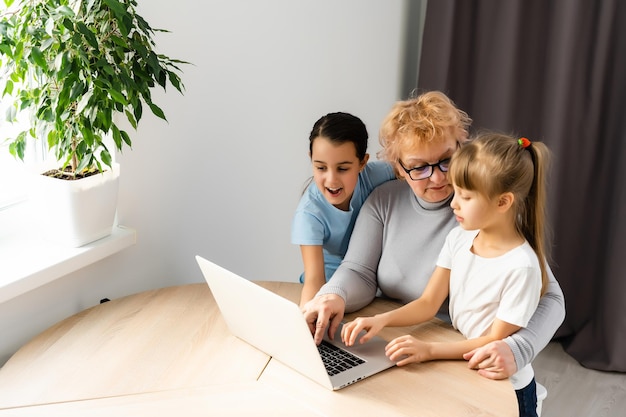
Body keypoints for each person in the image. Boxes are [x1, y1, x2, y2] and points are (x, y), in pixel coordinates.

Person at [302, 91, 565, 383]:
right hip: (402, 341)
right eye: (419, 167)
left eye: (446, 161)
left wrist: (518, 348)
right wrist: (332, 295)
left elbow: (551, 297)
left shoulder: (486, 212)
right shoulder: (384, 201)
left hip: (458, 350)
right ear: (399, 168)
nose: (438, 178)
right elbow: (359, 271)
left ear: (461, 147)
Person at [341, 132, 551, 416]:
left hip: (505, 386)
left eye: (465, 196)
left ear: (503, 203)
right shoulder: (459, 238)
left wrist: (428, 350)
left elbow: (494, 340)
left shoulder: (522, 266)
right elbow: (429, 302)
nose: (454, 203)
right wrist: (380, 321)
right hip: (463, 366)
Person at [291, 112, 395, 307]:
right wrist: (307, 316)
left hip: (372, 285)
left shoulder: (373, 175)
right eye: (321, 168)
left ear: (362, 163)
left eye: (343, 169)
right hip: (330, 289)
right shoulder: (308, 214)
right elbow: (314, 280)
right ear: (311, 159)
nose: (331, 180)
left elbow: (410, 168)